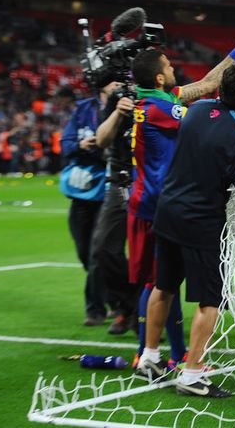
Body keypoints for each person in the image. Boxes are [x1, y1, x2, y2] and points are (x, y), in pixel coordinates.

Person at [136, 60, 235, 397]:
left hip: (167, 211)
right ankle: (191, 375)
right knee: (210, 301)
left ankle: (149, 356)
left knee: (163, 286)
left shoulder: (196, 109)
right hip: (200, 221)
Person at [129, 32, 235, 368]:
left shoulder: (152, 99)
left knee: (162, 283)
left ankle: (157, 355)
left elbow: (204, 85)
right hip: (166, 201)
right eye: (169, 65)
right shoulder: (160, 107)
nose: (174, 68)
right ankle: (165, 358)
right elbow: (204, 98)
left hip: (161, 199)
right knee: (159, 284)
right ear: (159, 77)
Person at [60, 83, 113, 326]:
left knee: (96, 252)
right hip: (82, 192)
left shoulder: (126, 106)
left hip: (108, 191)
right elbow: (66, 144)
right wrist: (81, 146)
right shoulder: (83, 109)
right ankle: (115, 297)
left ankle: (95, 309)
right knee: (85, 252)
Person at [93, 86, 139, 334]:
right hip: (119, 182)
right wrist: (118, 112)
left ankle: (145, 315)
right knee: (102, 249)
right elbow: (101, 140)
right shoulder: (116, 100)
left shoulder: (162, 93)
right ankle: (128, 304)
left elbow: (205, 84)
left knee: (149, 256)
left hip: (151, 182)